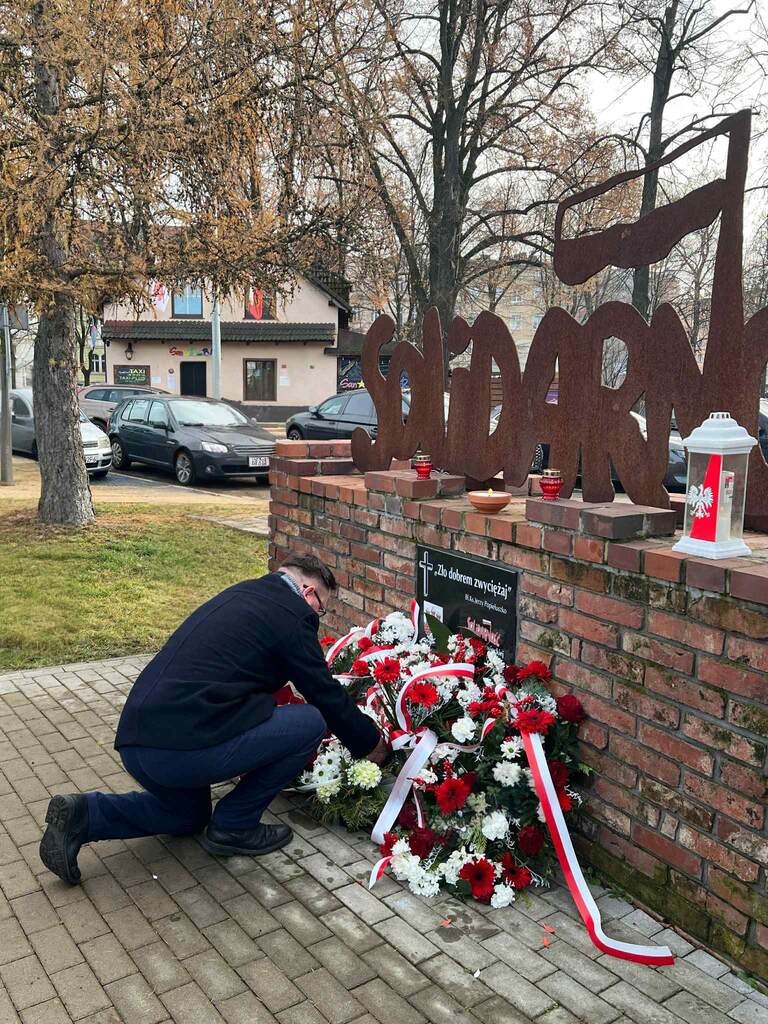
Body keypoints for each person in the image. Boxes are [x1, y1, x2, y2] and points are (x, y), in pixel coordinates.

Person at [39, 555, 388, 884]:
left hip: (139, 742)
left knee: (187, 816)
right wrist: (370, 743)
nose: (317, 615)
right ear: (308, 591)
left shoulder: (244, 593)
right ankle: (235, 824)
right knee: (310, 722)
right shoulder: (291, 614)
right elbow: (323, 692)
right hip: (185, 749)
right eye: (321, 607)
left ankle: (85, 814)